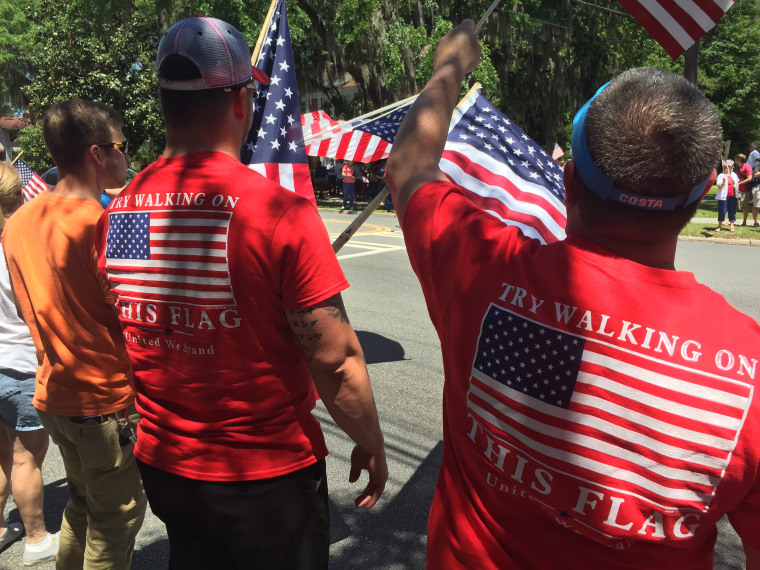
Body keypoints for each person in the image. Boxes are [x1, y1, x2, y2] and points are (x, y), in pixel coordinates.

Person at [387, 20, 760, 569]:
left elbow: (410, 167)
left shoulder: (483, 270)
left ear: (567, 182)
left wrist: (450, 65)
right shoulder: (750, 373)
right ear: (702, 194)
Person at [94, 16, 386, 569]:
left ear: (163, 105)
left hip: (166, 463)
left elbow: (125, 329)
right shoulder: (276, 213)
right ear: (240, 104)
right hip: (265, 475)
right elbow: (336, 359)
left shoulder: (122, 209)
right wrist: (369, 439)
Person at [2, 99, 146, 569]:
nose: (126, 155)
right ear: (96, 152)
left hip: (54, 394)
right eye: (122, 145)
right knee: (115, 520)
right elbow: (138, 316)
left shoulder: (19, 221)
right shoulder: (106, 224)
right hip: (105, 401)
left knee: (82, 507)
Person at [0, 163, 58, 566]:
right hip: (20, 365)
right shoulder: (16, 246)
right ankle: (37, 538)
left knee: (2, 454)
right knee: (26, 458)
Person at [715, 160, 736, 232]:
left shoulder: (734, 175)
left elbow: (737, 184)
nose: (728, 168)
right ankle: (719, 226)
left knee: (732, 210)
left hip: (733, 196)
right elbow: (719, 187)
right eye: (726, 167)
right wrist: (723, 182)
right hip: (723, 197)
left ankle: (732, 225)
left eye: (730, 166)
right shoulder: (721, 175)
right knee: (722, 211)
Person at [735, 153, 753, 226]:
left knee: (745, 206)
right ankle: (732, 221)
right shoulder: (737, 168)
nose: (734, 160)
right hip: (738, 189)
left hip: (745, 190)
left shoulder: (747, 167)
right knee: (737, 205)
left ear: (739, 159)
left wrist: (739, 184)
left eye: (735, 158)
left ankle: (744, 221)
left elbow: (749, 178)